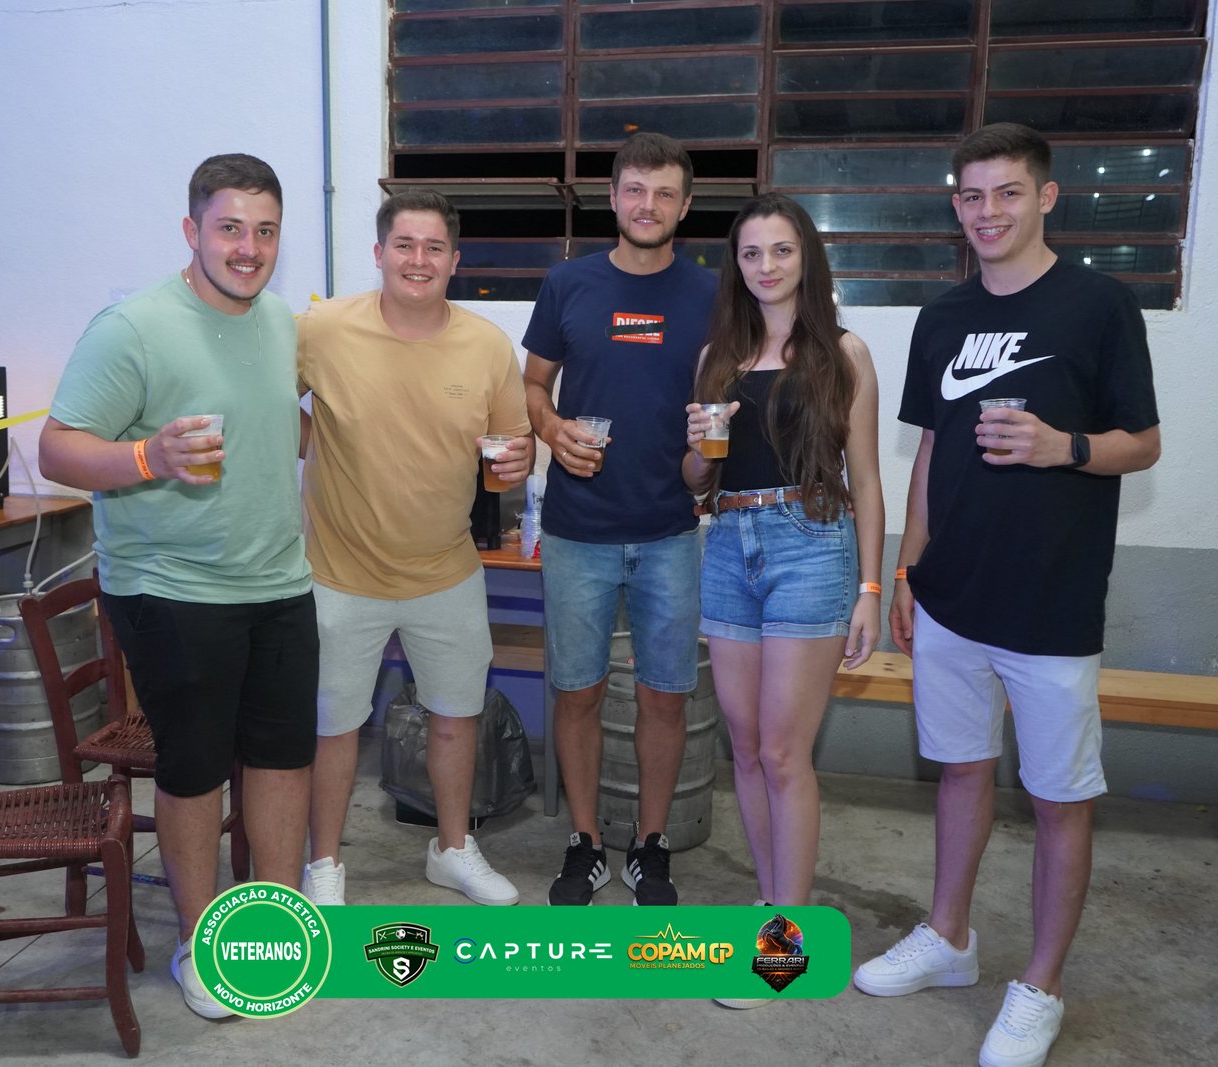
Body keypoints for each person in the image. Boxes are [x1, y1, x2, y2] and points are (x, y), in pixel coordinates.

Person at [852, 123, 1161, 1067]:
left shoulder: (1100, 304)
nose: (988, 212)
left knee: (1060, 797)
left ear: (1047, 196)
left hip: (1052, 604)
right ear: (957, 206)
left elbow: (1143, 442)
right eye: (973, 196)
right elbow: (931, 453)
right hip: (951, 595)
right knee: (960, 770)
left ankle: (1042, 986)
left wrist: (1064, 446)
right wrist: (908, 570)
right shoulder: (942, 317)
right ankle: (949, 938)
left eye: (1008, 192)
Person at [39, 153, 317, 1021]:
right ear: (192, 230)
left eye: (265, 231)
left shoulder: (279, 321)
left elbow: (284, 429)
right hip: (171, 588)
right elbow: (56, 448)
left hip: (279, 579)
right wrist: (147, 455)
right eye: (230, 228)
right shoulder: (133, 327)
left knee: (283, 759)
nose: (249, 248)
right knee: (195, 769)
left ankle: (270, 928)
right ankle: (201, 941)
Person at [296, 189, 533, 907]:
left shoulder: (486, 345)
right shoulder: (322, 330)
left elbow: (506, 460)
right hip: (339, 572)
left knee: (457, 716)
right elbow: (261, 398)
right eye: (404, 244)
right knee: (333, 727)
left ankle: (451, 849)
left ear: (455, 261)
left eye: (434, 248)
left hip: (446, 571)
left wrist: (517, 463)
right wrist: (304, 439)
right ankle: (324, 864)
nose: (418, 260)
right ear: (379, 253)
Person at [680, 194, 883, 1006]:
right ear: (737, 265)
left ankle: (784, 949)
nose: (766, 266)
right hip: (729, 542)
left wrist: (871, 588)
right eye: (751, 252)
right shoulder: (717, 356)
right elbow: (695, 479)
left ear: (806, 258)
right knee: (745, 747)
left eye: (781, 250)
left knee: (784, 752)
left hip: (812, 540)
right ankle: (773, 904)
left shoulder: (844, 352)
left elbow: (868, 479)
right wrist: (699, 450)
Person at [522, 131, 718, 906]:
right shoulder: (567, 283)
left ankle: (651, 843)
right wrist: (551, 429)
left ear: (686, 206)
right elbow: (533, 386)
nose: (648, 204)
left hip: (671, 528)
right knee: (577, 691)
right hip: (577, 531)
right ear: (612, 197)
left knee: (665, 695)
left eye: (665, 192)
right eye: (635, 189)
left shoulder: (712, 294)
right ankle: (584, 840)